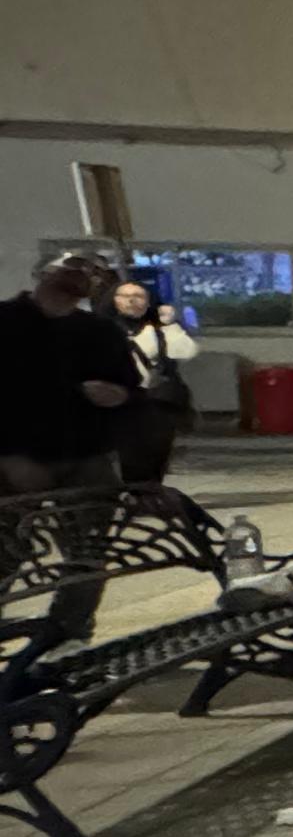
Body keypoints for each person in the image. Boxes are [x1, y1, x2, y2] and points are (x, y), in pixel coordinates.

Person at [0, 257, 140, 643]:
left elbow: (129, 389)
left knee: (88, 554)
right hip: (15, 458)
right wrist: (10, 455)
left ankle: (66, 638)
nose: (84, 275)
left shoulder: (100, 331)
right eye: (74, 266)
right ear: (43, 273)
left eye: (94, 272)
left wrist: (120, 395)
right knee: (6, 553)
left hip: (86, 456)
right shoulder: (6, 322)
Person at [105, 276, 198, 490]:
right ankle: (129, 492)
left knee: (155, 452)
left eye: (138, 296)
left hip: (156, 401)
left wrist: (170, 325)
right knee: (123, 452)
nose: (131, 301)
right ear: (114, 300)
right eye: (125, 296)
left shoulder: (157, 329)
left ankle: (149, 492)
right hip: (118, 400)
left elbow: (187, 351)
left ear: (148, 302)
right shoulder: (102, 328)